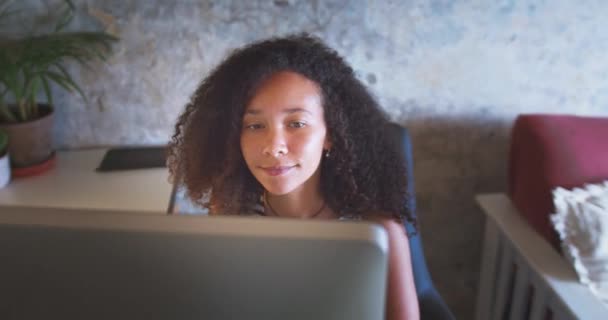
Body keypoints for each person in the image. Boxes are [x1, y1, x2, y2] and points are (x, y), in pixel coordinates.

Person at [168, 34, 420, 320]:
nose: (273, 146)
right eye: (254, 125)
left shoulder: (379, 229)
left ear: (331, 135)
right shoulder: (228, 211)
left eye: (296, 123)